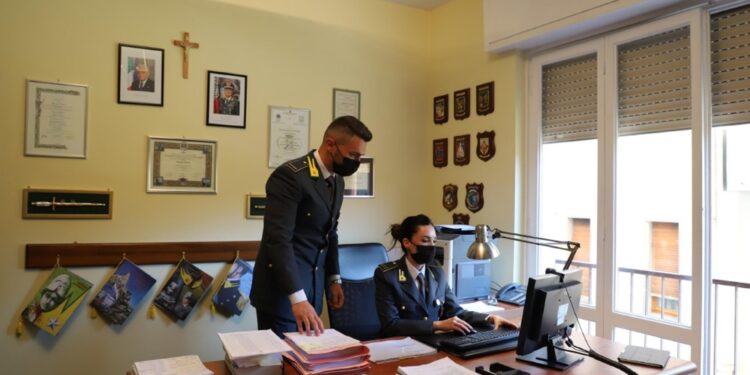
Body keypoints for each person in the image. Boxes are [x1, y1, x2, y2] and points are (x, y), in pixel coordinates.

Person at [251, 115, 373, 337]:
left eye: (360, 156)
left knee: (307, 365)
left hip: (313, 291)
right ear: (330, 145)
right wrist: (297, 298)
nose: (357, 162)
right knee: (283, 367)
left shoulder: (336, 180)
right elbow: (278, 240)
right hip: (283, 295)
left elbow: (331, 232)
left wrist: (334, 278)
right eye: (353, 155)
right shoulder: (290, 176)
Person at [374, 214, 518, 337]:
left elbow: (456, 312)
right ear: (407, 243)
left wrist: (489, 318)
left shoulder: (436, 272)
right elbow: (390, 325)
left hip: (434, 344)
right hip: (402, 347)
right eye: (425, 241)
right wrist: (437, 325)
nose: (431, 246)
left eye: (434, 241)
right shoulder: (388, 275)